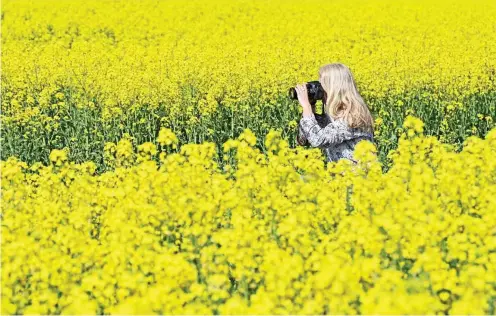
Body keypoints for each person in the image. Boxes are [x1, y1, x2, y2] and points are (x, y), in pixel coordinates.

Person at [295, 63, 375, 164]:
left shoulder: (352, 117)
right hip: (340, 176)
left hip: (358, 177)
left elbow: (318, 139)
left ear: (333, 89)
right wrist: (311, 107)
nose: (320, 90)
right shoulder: (334, 115)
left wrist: (306, 106)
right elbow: (304, 139)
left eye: (321, 85)